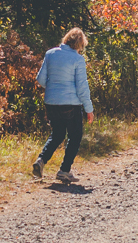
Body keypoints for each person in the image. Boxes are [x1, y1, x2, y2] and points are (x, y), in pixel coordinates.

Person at [33, 27, 94, 183]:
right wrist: (89, 109)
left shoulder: (50, 54)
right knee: (75, 136)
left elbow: (40, 79)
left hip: (51, 102)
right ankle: (64, 170)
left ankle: (41, 160)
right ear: (79, 44)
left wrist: (55, 88)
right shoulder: (77, 59)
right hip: (71, 104)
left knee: (58, 134)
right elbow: (82, 86)